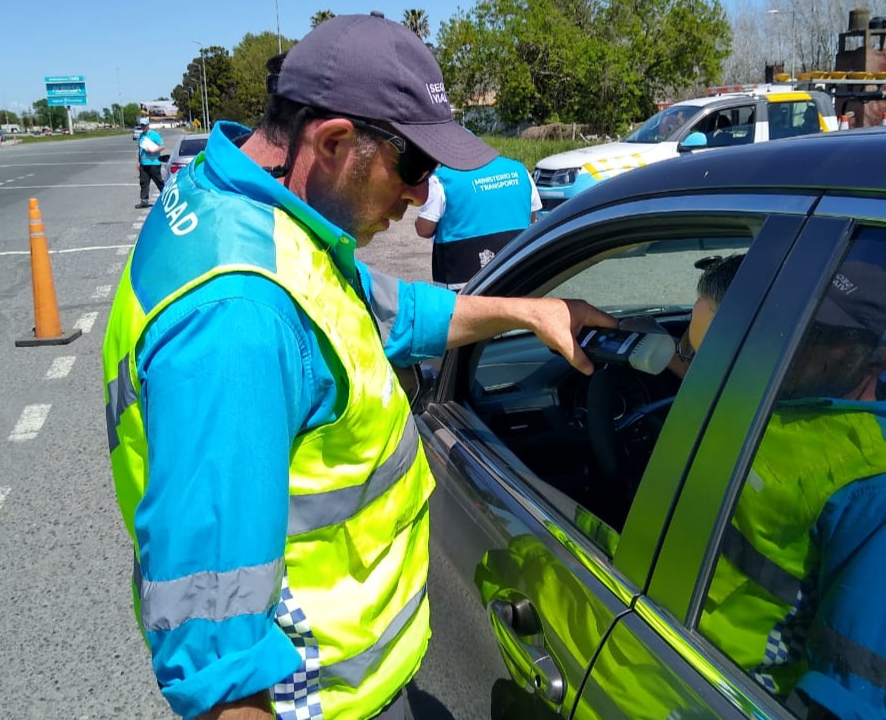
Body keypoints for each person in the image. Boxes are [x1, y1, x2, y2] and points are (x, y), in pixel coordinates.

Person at [101, 14, 614, 720]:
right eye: (414, 167)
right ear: (335, 141)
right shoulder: (239, 319)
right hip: (322, 701)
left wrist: (526, 312)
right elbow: (214, 649)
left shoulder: (242, 208)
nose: (418, 195)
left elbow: (380, 313)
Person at [596, 256, 886, 720]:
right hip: (631, 629)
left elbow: (848, 699)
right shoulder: (783, 388)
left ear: (877, 362)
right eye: (795, 317)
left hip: (690, 694)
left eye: (819, 333)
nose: (791, 337)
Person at [414, 156, 542, 289]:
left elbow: (424, 229)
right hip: (515, 271)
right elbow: (531, 217)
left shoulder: (442, 179)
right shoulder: (520, 170)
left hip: (462, 280)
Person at [135, 117, 165, 209]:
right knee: (144, 182)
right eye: (142, 125)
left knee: (159, 181)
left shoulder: (154, 135)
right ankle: (144, 201)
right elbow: (140, 150)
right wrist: (138, 162)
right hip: (144, 163)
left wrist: (154, 150)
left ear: (148, 125)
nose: (143, 127)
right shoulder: (141, 136)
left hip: (154, 163)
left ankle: (166, 197)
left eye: (144, 125)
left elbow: (162, 146)